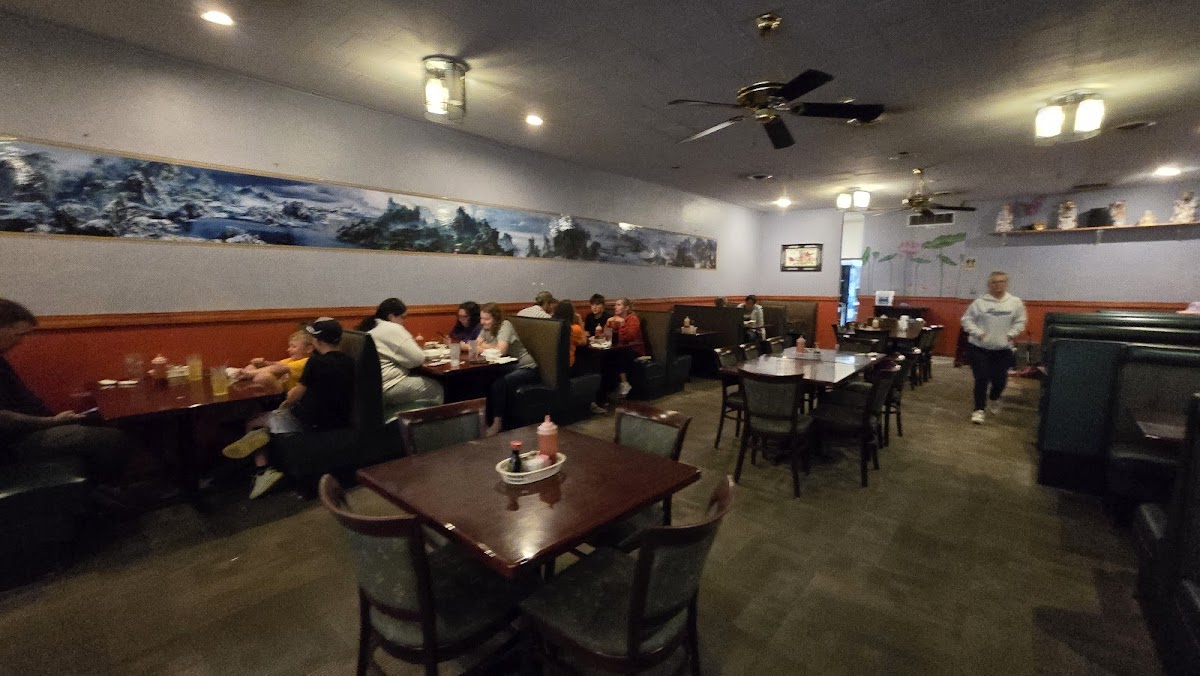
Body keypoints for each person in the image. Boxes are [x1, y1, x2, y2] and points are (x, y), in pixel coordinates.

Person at [0, 298, 130, 499]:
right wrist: (52, 422)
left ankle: (95, 492)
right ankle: (101, 494)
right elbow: (4, 419)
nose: (21, 342)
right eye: (19, 334)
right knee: (113, 439)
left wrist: (55, 420)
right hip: (13, 443)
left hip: (29, 430)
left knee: (99, 419)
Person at [222, 318, 355, 498]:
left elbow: (295, 394)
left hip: (308, 422)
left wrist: (282, 408)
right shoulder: (349, 361)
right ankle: (262, 436)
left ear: (317, 341)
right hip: (338, 418)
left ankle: (263, 471)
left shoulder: (315, 362)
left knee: (253, 421)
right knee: (267, 422)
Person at [358, 298, 444, 419]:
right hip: (387, 386)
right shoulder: (391, 328)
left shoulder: (372, 327)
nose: (405, 321)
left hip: (371, 387)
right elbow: (418, 358)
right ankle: (426, 425)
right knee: (435, 388)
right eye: (403, 317)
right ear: (392, 317)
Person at [960, 271, 1027, 425]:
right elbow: (966, 320)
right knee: (981, 378)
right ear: (989, 285)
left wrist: (1012, 334)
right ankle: (979, 409)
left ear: (1006, 284)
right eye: (994, 282)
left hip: (1003, 349)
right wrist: (978, 333)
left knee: (1000, 380)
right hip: (979, 348)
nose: (998, 285)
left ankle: (994, 397)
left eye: (1001, 282)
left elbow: (1020, 321)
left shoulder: (1015, 303)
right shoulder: (979, 303)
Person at [477, 303, 539, 435]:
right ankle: (484, 421)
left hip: (526, 366)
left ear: (496, 319)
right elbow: (476, 345)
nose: (483, 322)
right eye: (481, 318)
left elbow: (501, 350)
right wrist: (486, 346)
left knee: (499, 384)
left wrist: (484, 345)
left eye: (487, 319)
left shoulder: (505, 325)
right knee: (482, 379)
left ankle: (497, 423)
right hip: (508, 366)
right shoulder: (485, 328)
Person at [553, 300, 606, 415]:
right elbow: (584, 341)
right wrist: (580, 321)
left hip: (553, 366)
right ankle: (593, 402)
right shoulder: (573, 329)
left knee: (584, 359)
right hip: (568, 366)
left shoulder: (553, 326)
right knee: (594, 365)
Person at [234, 330, 313, 392]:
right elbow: (276, 364)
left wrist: (248, 374)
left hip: (295, 399)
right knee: (252, 367)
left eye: (294, 347)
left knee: (264, 377)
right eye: (289, 346)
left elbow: (279, 368)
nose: (288, 349)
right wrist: (262, 363)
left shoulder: (308, 361)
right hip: (282, 391)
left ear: (309, 349)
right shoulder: (293, 360)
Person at [606, 297, 645, 398]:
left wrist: (622, 323)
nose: (615, 307)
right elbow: (606, 336)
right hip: (620, 348)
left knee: (619, 354)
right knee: (606, 356)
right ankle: (609, 389)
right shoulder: (615, 319)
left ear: (626, 308)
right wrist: (608, 323)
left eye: (618, 305)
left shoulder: (633, 319)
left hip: (635, 349)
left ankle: (624, 383)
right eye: (615, 305)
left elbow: (628, 338)